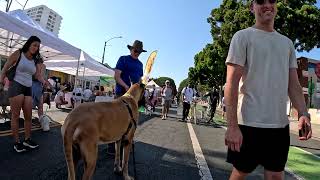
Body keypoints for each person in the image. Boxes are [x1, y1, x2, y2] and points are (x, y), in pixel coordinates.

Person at [224, 1, 312, 179]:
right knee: (240, 174)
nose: (267, 5)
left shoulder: (287, 44)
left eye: (271, 0)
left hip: (279, 127)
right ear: (252, 7)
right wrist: (232, 126)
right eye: (261, 1)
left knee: (275, 176)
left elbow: (293, 84)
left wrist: (303, 112)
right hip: (248, 125)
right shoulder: (242, 37)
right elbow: (231, 83)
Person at [0, 36, 48, 152]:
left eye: (38, 46)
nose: (36, 48)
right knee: (15, 115)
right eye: (34, 45)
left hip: (28, 87)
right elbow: (6, 66)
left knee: (28, 116)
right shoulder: (19, 53)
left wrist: (45, 82)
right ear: (29, 44)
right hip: (16, 85)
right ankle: (17, 142)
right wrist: (1, 79)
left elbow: (37, 75)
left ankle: (27, 139)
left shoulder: (34, 60)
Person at [111, 40, 146, 155]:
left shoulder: (140, 64)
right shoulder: (123, 59)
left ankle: (126, 143)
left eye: (139, 52)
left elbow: (139, 80)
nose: (137, 53)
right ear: (131, 49)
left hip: (133, 98)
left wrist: (141, 89)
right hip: (121, 93)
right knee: (116, 120)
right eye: (136, 50)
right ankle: (112, 146)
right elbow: (117, 76)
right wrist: (126, 86)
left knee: (131, 121)